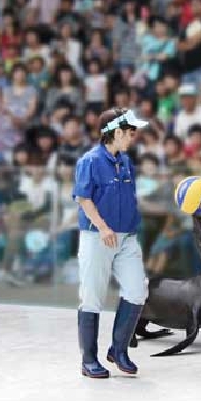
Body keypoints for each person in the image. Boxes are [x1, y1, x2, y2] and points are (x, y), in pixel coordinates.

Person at [73, 107, 150, 379]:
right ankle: (89, 359)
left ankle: (118, 349)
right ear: (116, 132)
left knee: (137, 289)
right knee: (92, 295)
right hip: (98, 237)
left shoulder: (126, 161)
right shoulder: (90, 161)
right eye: (131, 132)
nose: (133, 136)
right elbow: (84, 198)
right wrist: (103, 227)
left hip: (127, 237)